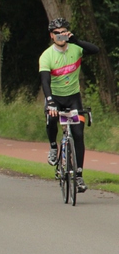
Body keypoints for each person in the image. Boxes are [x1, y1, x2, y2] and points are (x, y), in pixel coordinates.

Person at [39, 17, 99, 193]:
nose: (61, 36)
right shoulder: (47, 56)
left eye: (64, 32)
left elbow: (95, 50)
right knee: (51, 120)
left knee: (78, 134)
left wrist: (77, 41)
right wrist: (50, 101)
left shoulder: (75, 48)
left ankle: (78, 176)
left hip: (73, 97)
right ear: (52, 36)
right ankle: (52, 147)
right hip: (55, 97)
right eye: (57, 33)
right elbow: (44, 81)